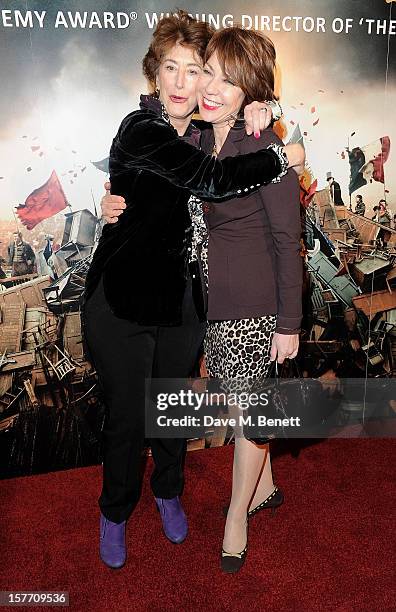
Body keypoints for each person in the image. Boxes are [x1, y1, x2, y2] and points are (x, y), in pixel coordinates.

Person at [84, 11, 305, 571]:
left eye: (202, 71)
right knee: (142, 419)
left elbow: (283, 236)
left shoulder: (227, 132)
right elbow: (204, 183)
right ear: (155, 74)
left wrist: (269, 112)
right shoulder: (156, 131)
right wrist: (286, 148)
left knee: (205, 415)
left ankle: (199, 504)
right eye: (176, 70)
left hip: (209, 306)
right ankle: (117, 514)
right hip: (139, 302)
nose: (193, 83)